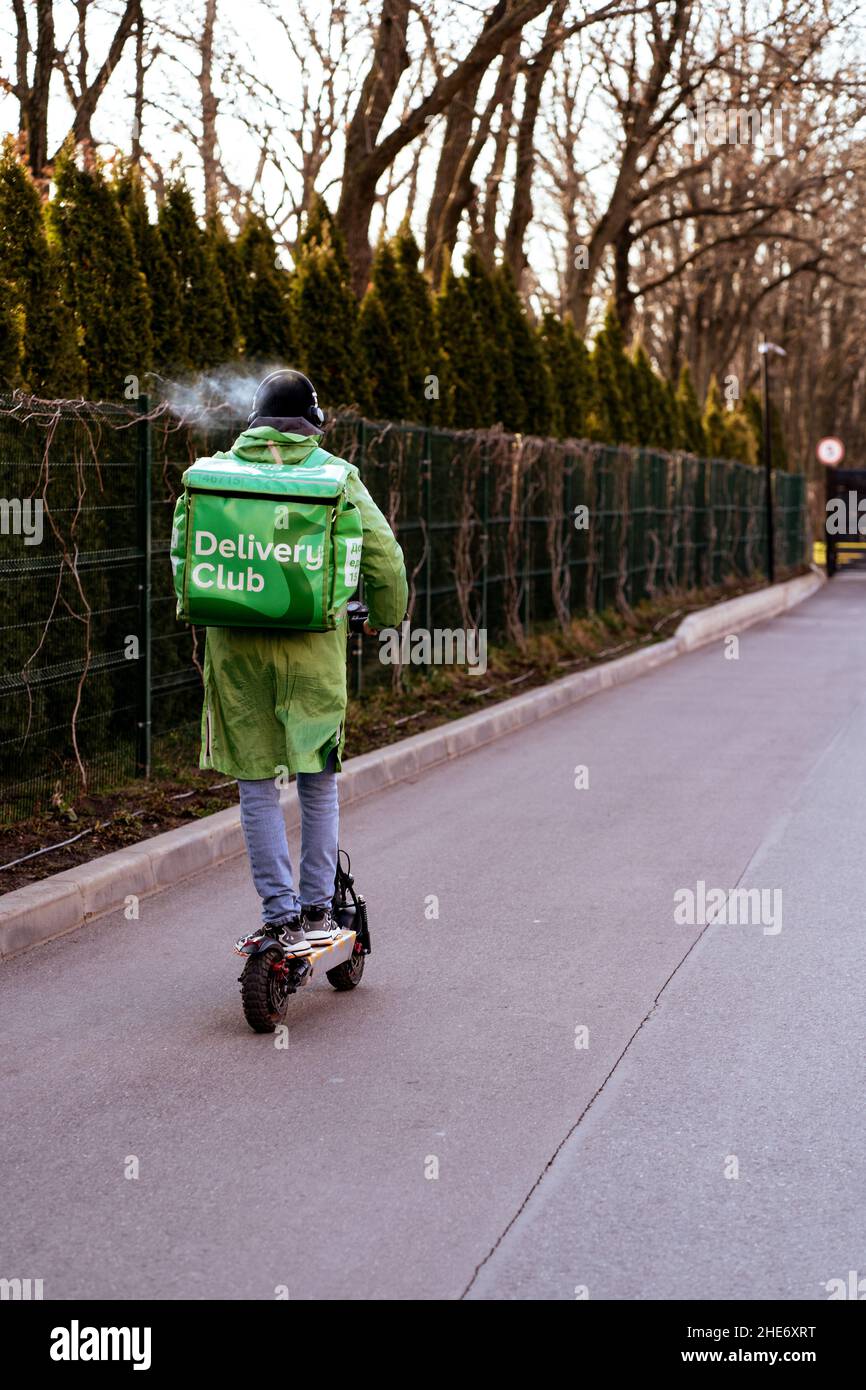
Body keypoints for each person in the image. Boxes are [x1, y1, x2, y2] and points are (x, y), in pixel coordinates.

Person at [191, 369, 407, 955]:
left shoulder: (213, 477)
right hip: (314, 653)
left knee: (257, 786)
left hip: (236, 656)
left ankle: (278, 916)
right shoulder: (337, 477)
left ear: (256, 421)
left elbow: (186, 563)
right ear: (311, 425)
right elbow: (386, 561)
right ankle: (317, 911)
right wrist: (382, 616)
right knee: (317, 782)